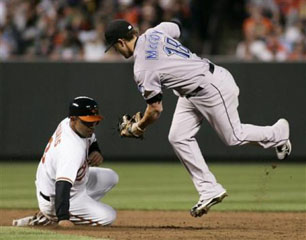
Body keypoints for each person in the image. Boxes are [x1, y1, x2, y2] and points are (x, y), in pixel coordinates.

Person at [104, 19, 292, 217]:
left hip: (211, 87)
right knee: (177, 137)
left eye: (115, 47)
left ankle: (278, 133)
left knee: (234, 137)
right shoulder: (154, 32)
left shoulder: (142, 68)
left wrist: (138, 128)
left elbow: (155, 109)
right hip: (192, 90)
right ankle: (209, 189)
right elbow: (177, 26)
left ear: (121, 42)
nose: (116, 51)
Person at [13, 96, 118, 227]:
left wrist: (95, 150)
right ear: (73, 119)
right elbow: (62, 185)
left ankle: (73, 209)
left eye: (95, 122)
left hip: (66, 184)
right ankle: (50, 216)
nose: (92, 126)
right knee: (109, 216)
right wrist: (63, 217)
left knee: (110, 177)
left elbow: (92, 140)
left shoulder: (68, 123)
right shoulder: (71, 149)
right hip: (56, 196)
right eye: (88, 122)